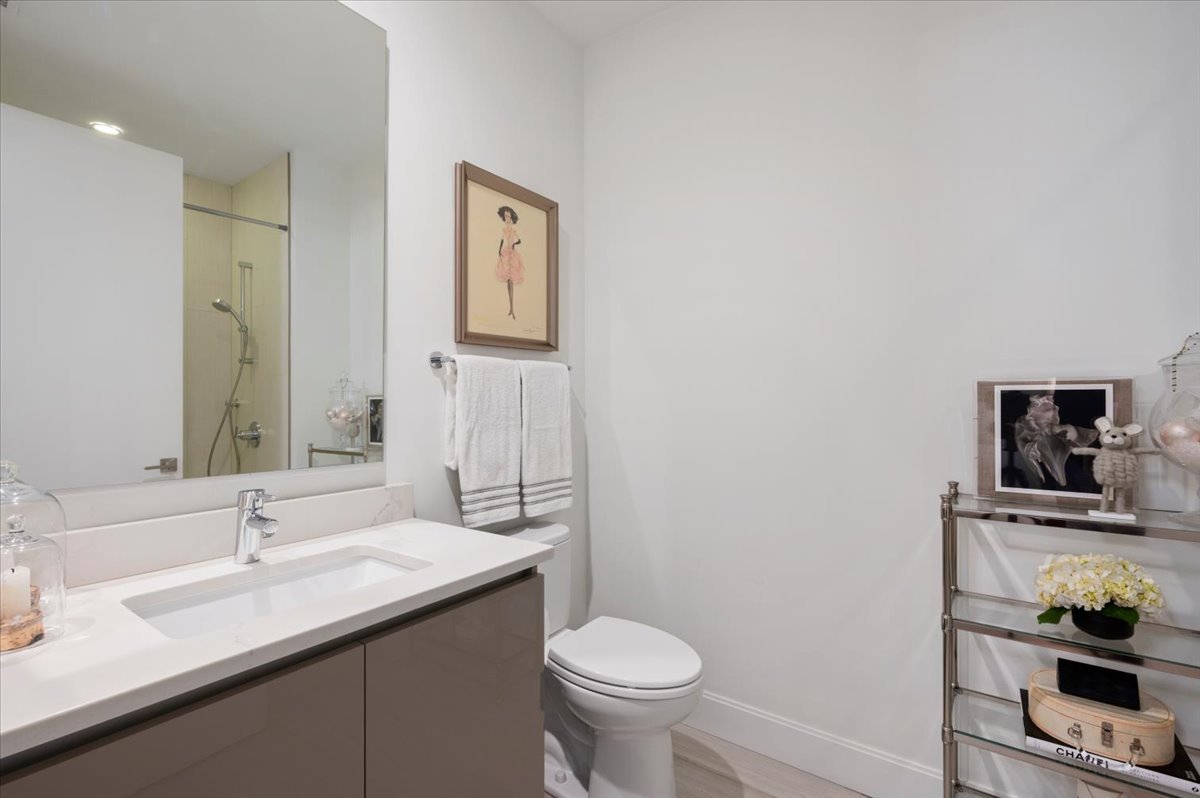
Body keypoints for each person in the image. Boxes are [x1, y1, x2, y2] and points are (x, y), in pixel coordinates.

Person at [494, 205, 525, 320]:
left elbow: (519, 240)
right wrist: (499, 249)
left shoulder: (512, 228)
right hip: (506, 253)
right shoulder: (505, 229)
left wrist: (513, 244)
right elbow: (502, 239)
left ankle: (512, 308)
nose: (507, 218)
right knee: (508, 281)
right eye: (505, 216)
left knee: (511, 281)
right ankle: (511, 308)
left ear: (511, 217)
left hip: (512, 254)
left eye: (508, 216)